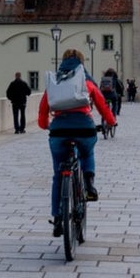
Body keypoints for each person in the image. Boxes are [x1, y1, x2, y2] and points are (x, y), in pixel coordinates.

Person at [37, 48, 116, 234]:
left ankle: (57, 217)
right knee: (87, 150)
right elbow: (102, 104)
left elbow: (42, 111)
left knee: (58, 174)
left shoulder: (55, 82)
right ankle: (89, 183)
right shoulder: (85, 81)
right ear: (82, 64)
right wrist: (111, 121)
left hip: (59, 131)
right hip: (83, 127)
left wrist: (45, 125)